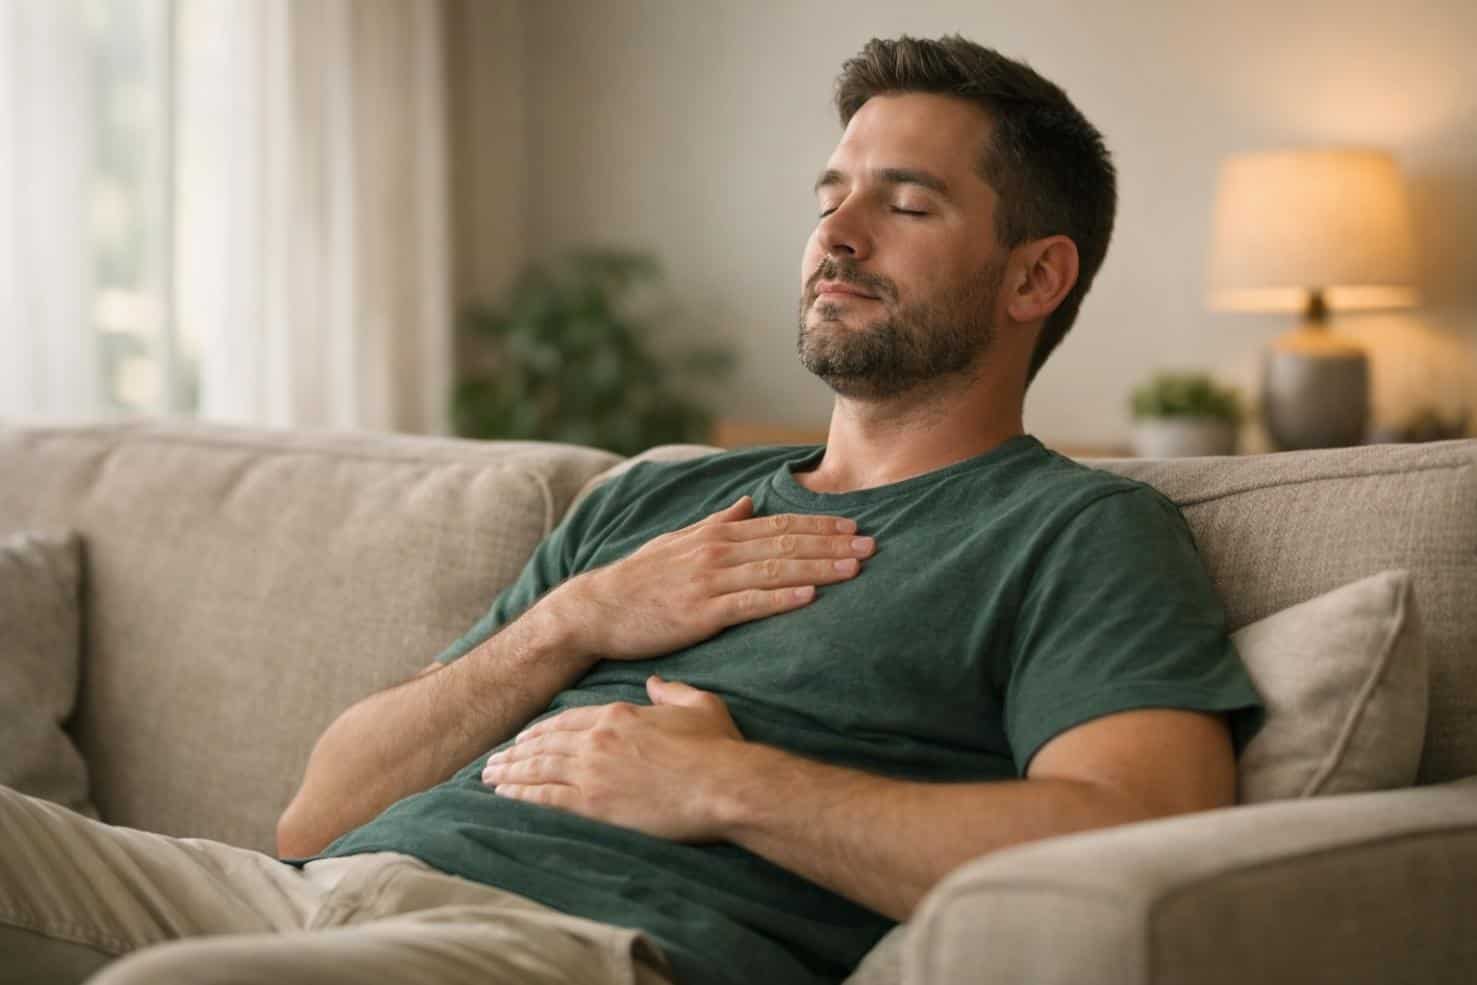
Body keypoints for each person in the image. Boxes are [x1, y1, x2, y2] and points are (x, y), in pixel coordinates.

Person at [1, 34, 1262, 985]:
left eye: (904, 202)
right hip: (301, 896)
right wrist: (579, 616)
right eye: (829, 195)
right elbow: (315, 811)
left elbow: (1139, 837)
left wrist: (731, 786)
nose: (836, 234)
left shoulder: (1073, 530)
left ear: (1035, 276)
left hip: (568, 946)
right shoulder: (655, 496)